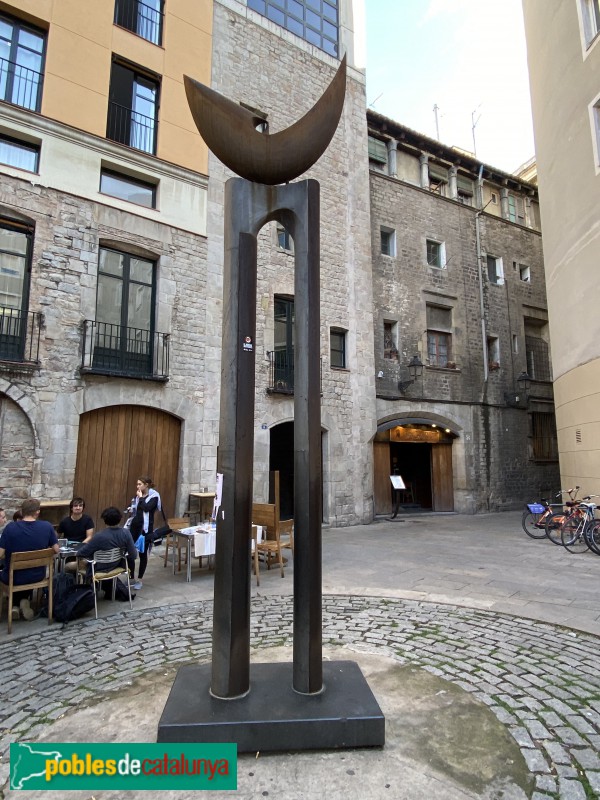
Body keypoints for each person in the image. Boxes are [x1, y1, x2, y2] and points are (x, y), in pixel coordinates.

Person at [0, 498, 59, 621]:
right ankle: (22, 602)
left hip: (13, 577)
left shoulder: (10, 528)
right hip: (37, 575)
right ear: (37, 512)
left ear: (22, 511)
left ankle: (15, 606)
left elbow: (0, 554)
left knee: (9, 572)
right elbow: (56, 550)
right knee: (26, 573)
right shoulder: (47, 526)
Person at [77, 507, 137, 585]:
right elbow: (133, 555)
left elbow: (81, 553)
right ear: (120, 519)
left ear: (104, 520)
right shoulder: (126, 533)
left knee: (69, 566)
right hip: (116, 565)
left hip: (97, 567)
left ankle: (78, 588)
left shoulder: (99, 536)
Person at [128, 476, 161, 590]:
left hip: (145, 529)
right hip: (135, 527)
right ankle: (131, 577)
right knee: (130, 553)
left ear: (146, 485)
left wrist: (141, 498)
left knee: (143, 554)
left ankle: (140, 579)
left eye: (140, 484)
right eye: (137, 484)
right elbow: (135, 509)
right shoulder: (137, 496)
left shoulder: (154, 497)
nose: (137, 486)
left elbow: (147, 508)